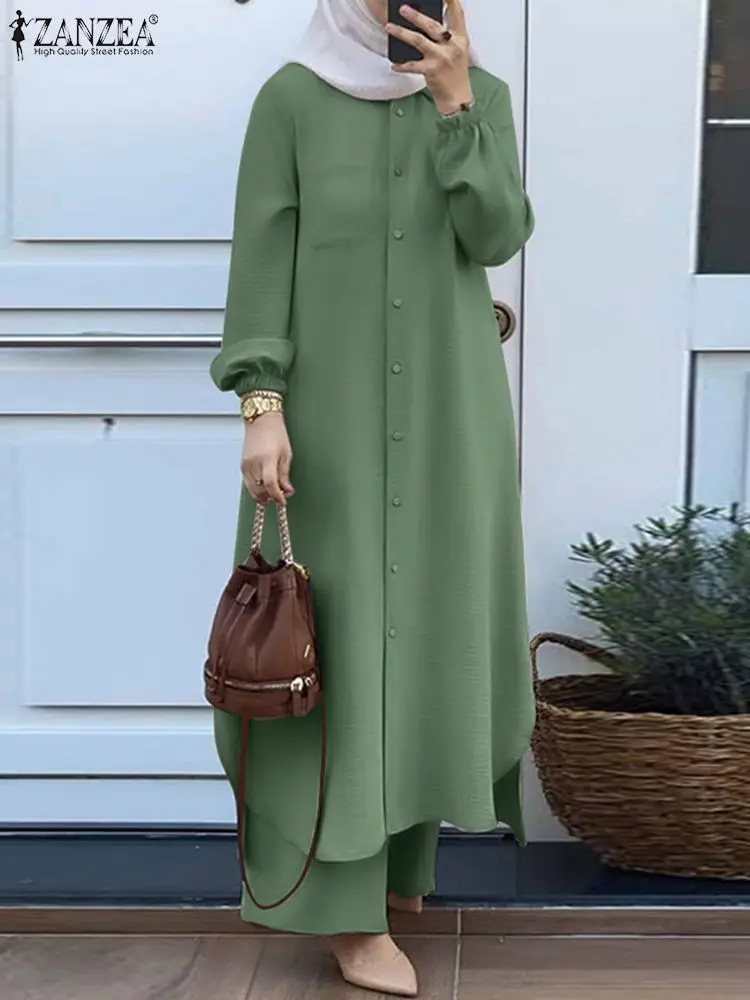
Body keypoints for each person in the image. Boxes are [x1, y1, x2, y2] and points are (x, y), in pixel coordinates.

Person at [209, 0, 536, 994]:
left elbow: (498, 231)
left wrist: (457, 106)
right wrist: (261, 404)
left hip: (449, 420)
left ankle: (399, 868)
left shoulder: (481, 96)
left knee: (426, 634)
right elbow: (260, 261)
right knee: (333, 643)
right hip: (330, 429)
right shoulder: (291, 101)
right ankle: (343, 910)